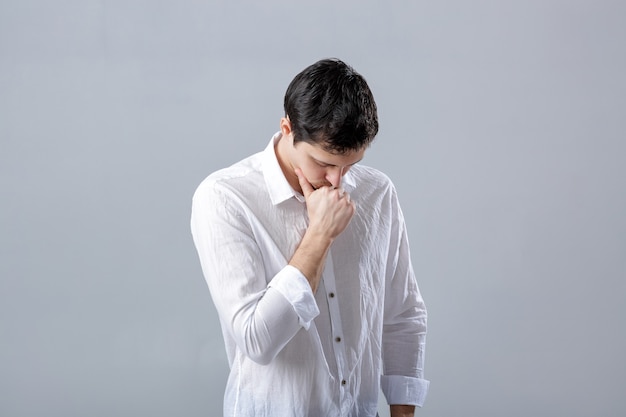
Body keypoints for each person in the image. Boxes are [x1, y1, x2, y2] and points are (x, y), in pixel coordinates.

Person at [190, 58, 429, 417]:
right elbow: (257, 340)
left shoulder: (377, 193)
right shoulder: (226, 199)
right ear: (287, 128)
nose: (338, 180)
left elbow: (403, 317)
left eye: (350, 165)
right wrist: (319, 234)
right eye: (324, 163)